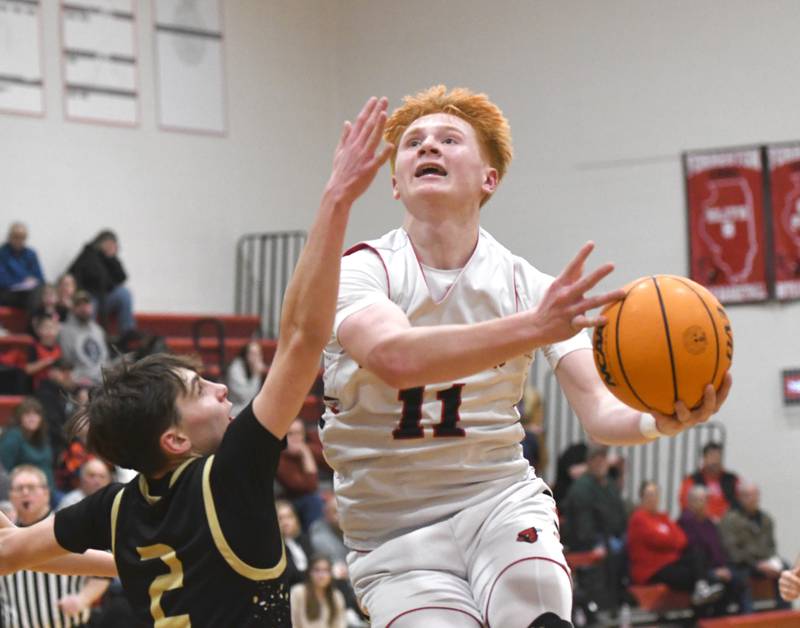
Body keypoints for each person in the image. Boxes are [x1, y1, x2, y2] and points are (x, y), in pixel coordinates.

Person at [319, 85, 731, 627]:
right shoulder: (362, 270)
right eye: (413, 142)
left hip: (499, 501)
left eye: (448, 139)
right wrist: (532, 327)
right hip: (393, 530)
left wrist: (659, 420)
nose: (427, 148)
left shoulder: (528, 286)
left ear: (489, 179)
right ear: (394, 182)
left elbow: (601, 413)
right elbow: (395, 357)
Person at [0, 95, 393, 627]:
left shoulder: (118, 508)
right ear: (175, 439)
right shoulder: (230, 473)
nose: (223, 389)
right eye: (201, 388)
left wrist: (13, 541)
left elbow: (21, 555)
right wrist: (337, 199)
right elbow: (302, 337)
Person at [1, 465, 111, 627]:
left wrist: (83, 599)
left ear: (46, 493)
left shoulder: (65, 526)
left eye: (31, 488)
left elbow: (102, 575)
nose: (25, 493)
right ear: (10, 496)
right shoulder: (8, 536)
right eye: (19, 488)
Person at [627, 481, 724, 607]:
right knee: (699, 577)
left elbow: (682, 539)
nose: (653, 499)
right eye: (649, 495)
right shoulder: (638, 519)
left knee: (697, 554)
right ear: (642, 497)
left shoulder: (662, 517)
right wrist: (670, 540)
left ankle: (701, 590)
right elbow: (658, 540)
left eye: (655, 495)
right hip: (652, 570)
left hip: (670, 563)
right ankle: (699, 606)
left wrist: (669, 540)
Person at [560, 443, 628, 610]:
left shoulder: (609, 485)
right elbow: (583, 525)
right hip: (586, 542)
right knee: (607, 558)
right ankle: (605, 607)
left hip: (612, 538)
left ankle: (621, 604)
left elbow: (620, 514)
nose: (600, 464)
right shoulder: (581, 488)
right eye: (596, 460)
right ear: (589, 463)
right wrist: (597, 544)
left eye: (603, 459)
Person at [678, 485, 749, 615]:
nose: (702, 504)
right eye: (698, 500)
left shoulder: (709, 523)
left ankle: (746, 620)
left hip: (718, 567)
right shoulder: (685, 522)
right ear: (690, 502)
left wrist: (724, 567)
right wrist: (717, 570)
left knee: (740, 580)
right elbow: (694, 550)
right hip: (699, 571)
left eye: (704, 500)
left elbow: (718, 549)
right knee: (719, 584)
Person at [719, 481, 789, 608]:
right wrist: (756, 564)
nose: (753, 499)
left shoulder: (765, 519)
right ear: (740, 497)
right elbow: (732, 551)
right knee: (742, 578)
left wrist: (771, 562)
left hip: (764, 563)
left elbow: (771, 546)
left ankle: (784, 613)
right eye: (748, 495)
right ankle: (748, 616)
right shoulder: (730, 520)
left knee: (785, 570)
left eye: (755, 495)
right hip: (742, 564)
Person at [68, 230, 136, 334]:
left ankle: (128, 334)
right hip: (90, 296)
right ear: (99, 242)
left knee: (124, 293)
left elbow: (122, 278)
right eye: (107, 242)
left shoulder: (110, 258)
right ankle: (90, 336)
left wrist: (111, 258)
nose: (110, 246)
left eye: (113, 243)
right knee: (89, 305)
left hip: (105, 298)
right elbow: (80, 276)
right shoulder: (88, 254)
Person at [277, 418, 326, 531]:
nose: (295, 438)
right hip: (289, 500)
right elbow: (309, 487)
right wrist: (306, 455)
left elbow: (333, 463)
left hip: (306, 498)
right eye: (290, 434)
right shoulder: (279, 458)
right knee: (313, 500)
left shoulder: (309, 448)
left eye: (299, 433)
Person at [0, 398, 55, 492]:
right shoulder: (12, 437)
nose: (32, 418)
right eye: (27, 414)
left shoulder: (43, 437)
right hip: (23, 492)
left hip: (48, 491)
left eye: (36, 414)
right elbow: (5, 470)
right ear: (19, 417)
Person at [58, 290, 110, 386]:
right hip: (81, 382)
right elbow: (67, 362)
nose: (84, 308)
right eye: (79, 305)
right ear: (72, 308)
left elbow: (105, 359)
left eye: (86, 304)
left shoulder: (98, 330)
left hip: (104, 380)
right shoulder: (65, 331)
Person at [679, 442, 740, 522]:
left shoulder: (732, 480)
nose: (715, 461)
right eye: (712, 457)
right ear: (704, 458)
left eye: (718, 457)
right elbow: (685, 505)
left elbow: (742, 503)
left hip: (728, 523)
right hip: (701, 522)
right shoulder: (691, 480)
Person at [290, 555, 347, 628]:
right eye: (317, 570)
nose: (321, 575)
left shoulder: (336, 596)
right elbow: (292, 623)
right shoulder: (298, 592)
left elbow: (340, 624)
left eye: (326, 570)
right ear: (309, 572)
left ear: (331, 574)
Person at [0, 222, 45, 311]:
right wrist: (23, 280)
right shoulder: (2, 254)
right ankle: (33, 323)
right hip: (7, 293)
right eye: (16, 237)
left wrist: (32, 282)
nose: (19, 240)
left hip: (28, 294)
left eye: (22, 237)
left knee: (39, 291)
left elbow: (40, 278)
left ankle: (35, 322)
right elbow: (2, 280)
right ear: (9, 237)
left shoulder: (31, 254)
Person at [227, 339, 269, 416]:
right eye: (252, 354)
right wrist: (256, 375)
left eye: (258, 354)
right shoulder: (236, 368)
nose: (256, 358)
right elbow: (246, 397)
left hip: (248, 408)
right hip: (234, 409)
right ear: (245, 354)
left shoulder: (256, 369)